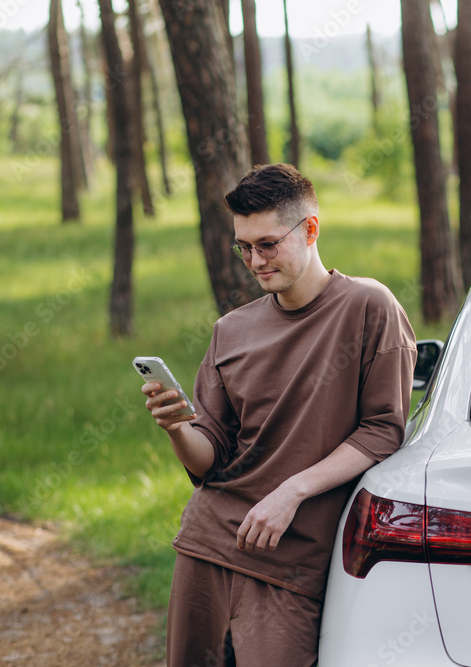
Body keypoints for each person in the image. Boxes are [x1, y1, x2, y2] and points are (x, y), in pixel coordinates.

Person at [141, 164, 417, 666]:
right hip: (207, 543)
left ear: (310, 229)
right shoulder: (232, 331)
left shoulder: (368, 307)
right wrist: (178, 428)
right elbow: (209, 461)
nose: (254, 260)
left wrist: (291, 492)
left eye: (267, 244)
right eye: (243, 247)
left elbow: (384, 430)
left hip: (290, 558)